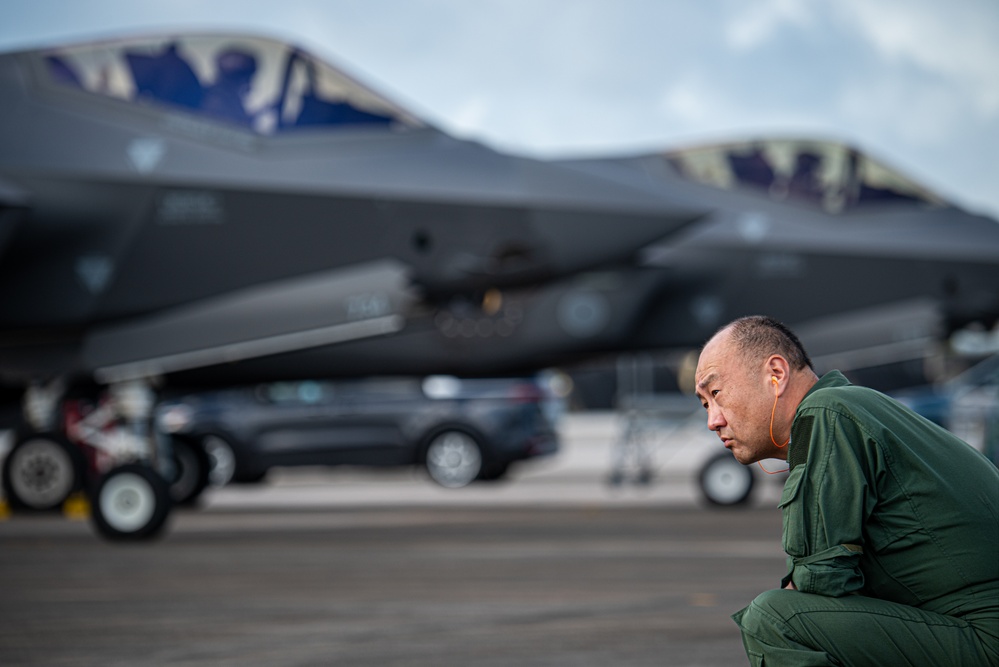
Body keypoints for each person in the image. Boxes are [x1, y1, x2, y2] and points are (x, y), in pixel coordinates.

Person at [694, 315, 998, 666]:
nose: (713, 420)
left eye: (716, 394)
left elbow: (819, 583)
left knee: (775, 620)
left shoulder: (828, 413)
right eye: (705, 405)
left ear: (776, 374)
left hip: (983, 636)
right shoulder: (855, 405)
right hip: (970, 629)